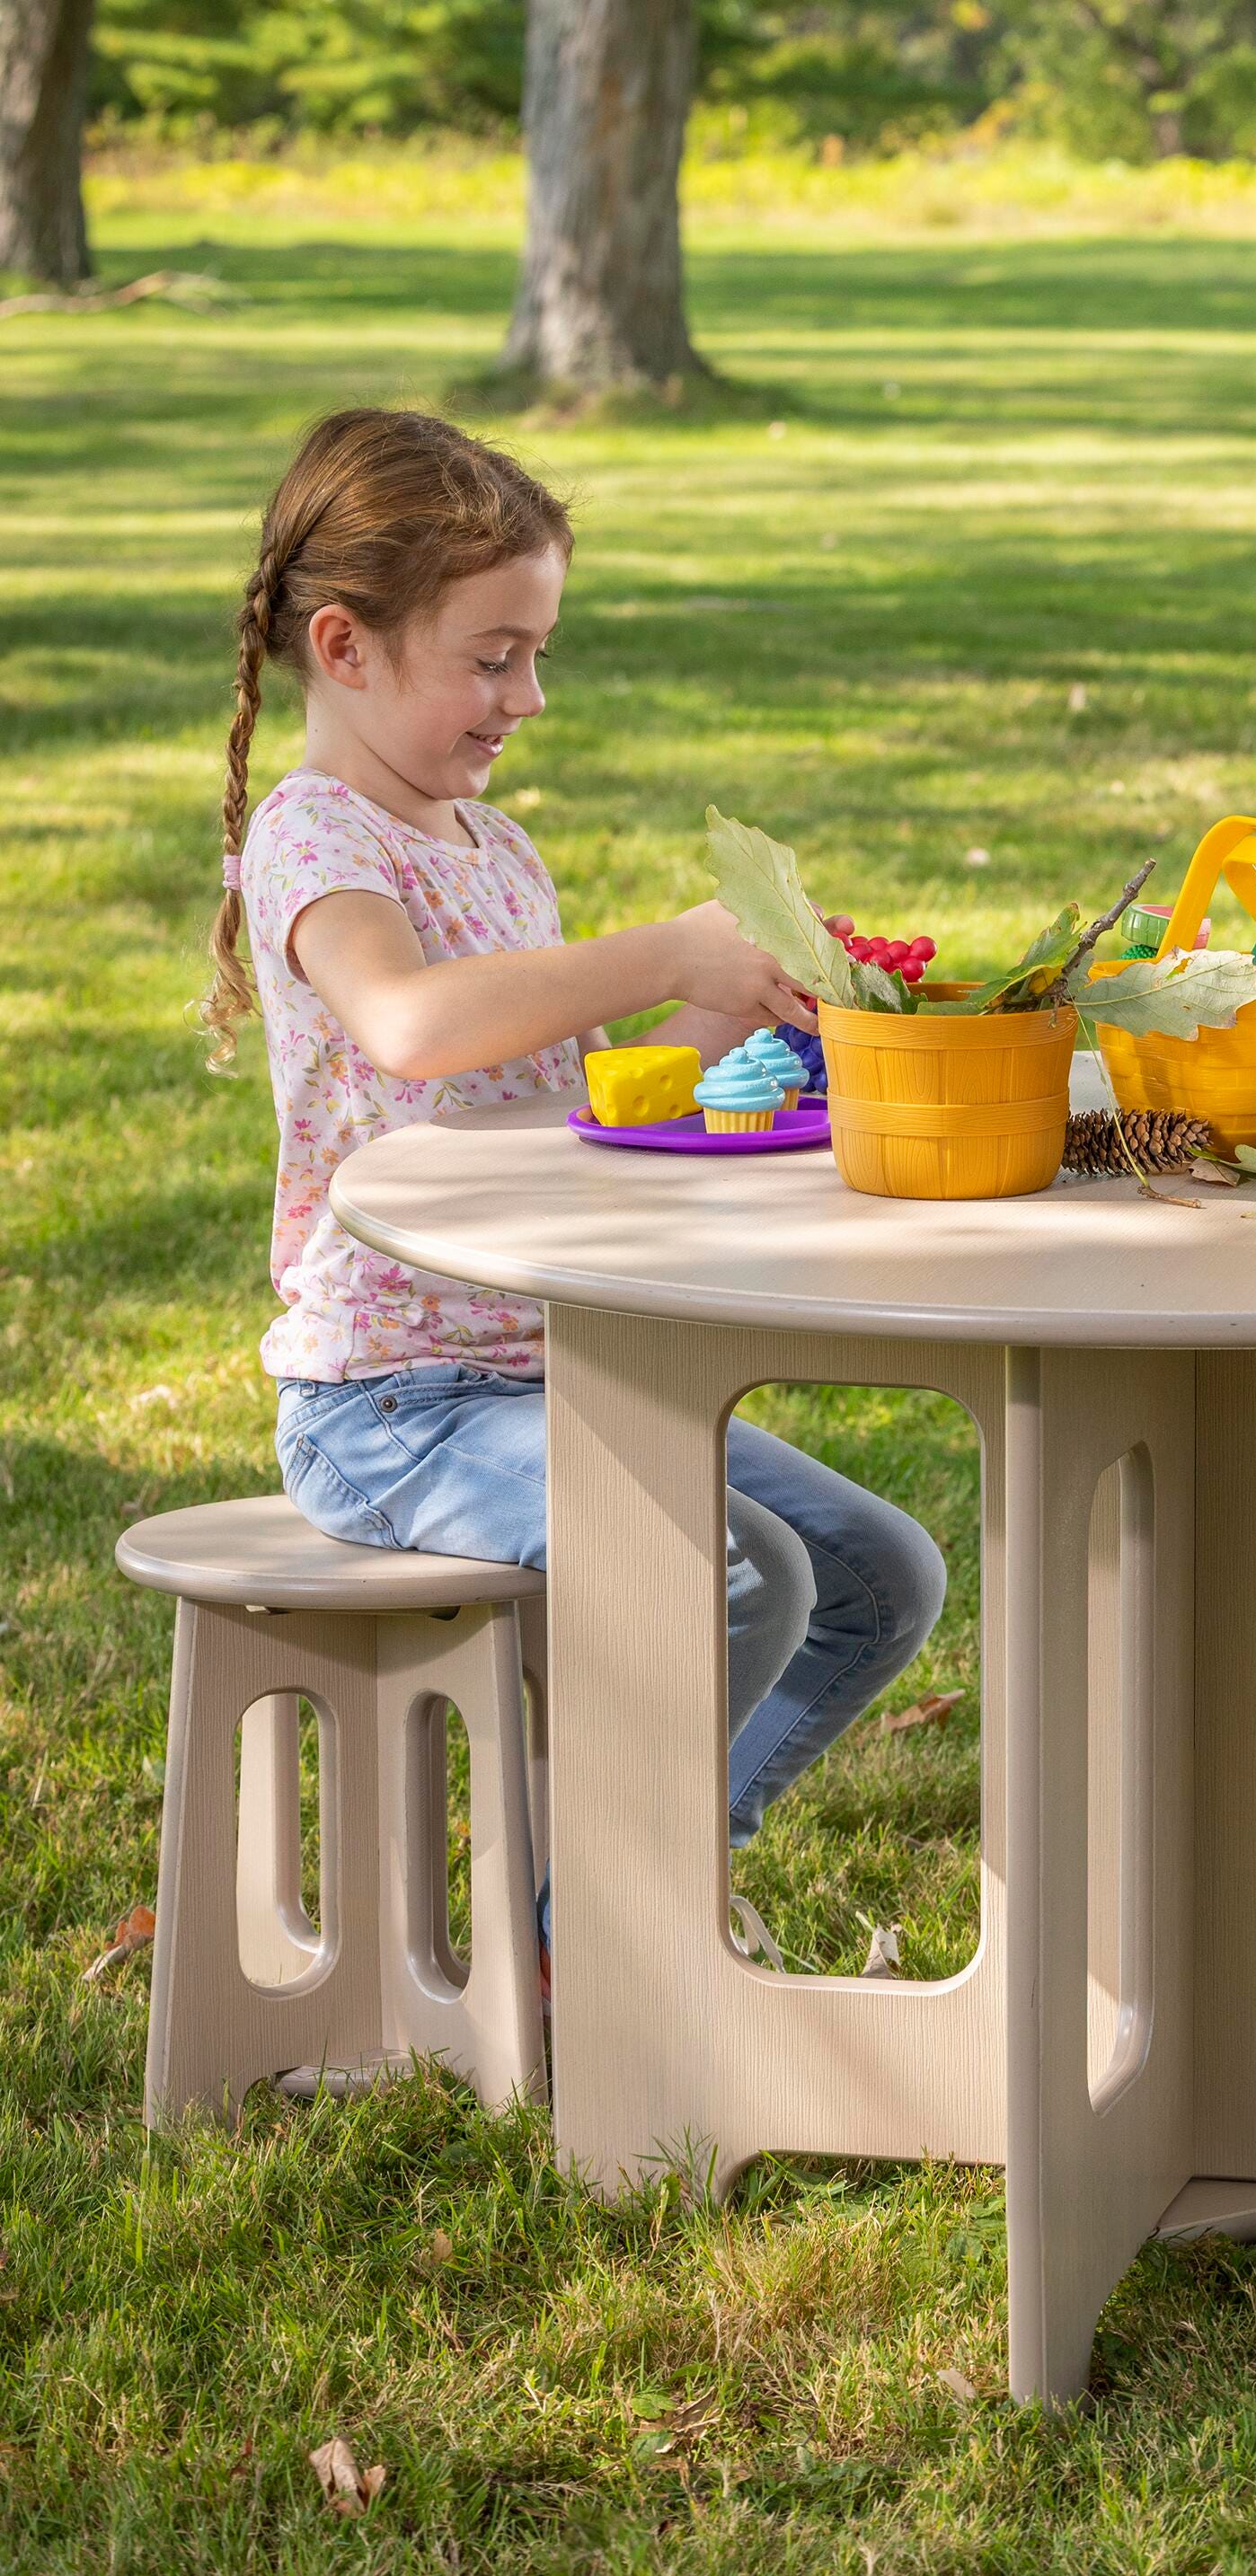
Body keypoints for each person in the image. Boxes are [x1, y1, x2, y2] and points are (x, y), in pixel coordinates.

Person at [202, 407, 946, 1966]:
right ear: (343, 647)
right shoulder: (314, 840)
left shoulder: (497, 851)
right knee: (741, 1574)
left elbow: (583, 1115)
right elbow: (410, 1028)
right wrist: (657, 949)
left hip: (554, 1372)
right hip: (393, 1408)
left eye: (536, 655)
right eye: (493, 658)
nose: (526, 698)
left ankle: (647, 1885)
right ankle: (583, 1951)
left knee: (882, 1575)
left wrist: (732, 1029)